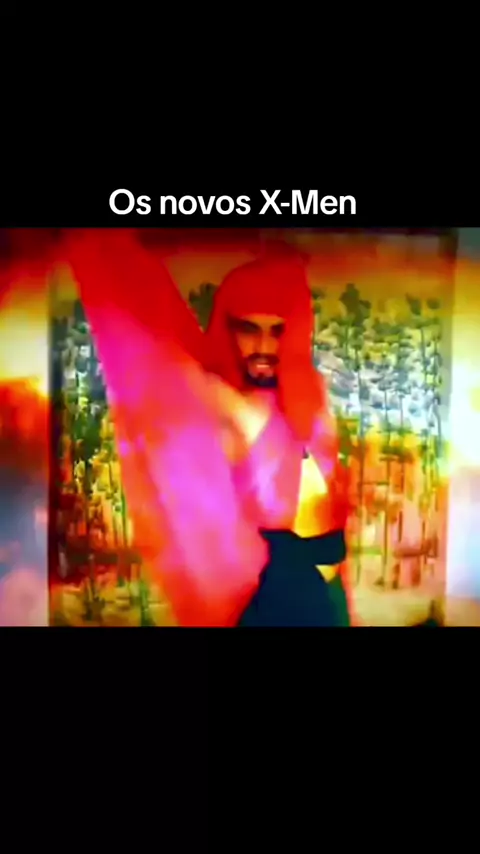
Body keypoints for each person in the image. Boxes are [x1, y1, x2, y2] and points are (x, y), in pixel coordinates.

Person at [65, 231, 353, 627]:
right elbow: (156, 353)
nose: (264, 346)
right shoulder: (228, 403)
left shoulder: (309, 397)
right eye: (248, 328)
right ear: (228, 327)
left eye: (277, 330)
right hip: (274, 599)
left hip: (325, 598)